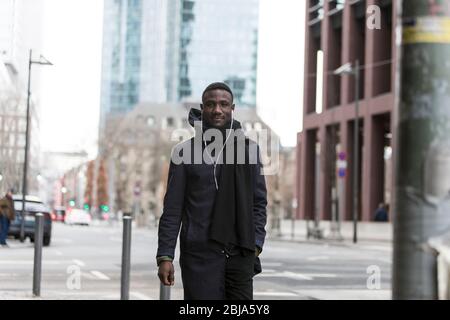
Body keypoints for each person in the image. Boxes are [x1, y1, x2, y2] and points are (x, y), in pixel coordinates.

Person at [157, 82, 267, 300]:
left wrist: (255, 245)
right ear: (202, 107)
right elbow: (172, 210)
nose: (217, 110)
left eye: (224, 104)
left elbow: (258, 202)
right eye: (211, 104)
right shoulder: (184, 152)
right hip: (199, 257)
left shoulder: (249, 150)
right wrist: (165, 256)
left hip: (240, 254)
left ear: (232, 108)